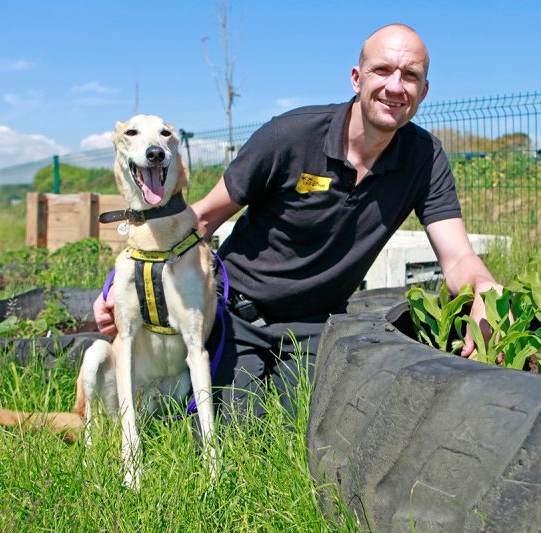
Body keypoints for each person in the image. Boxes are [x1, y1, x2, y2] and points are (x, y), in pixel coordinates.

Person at [94, 23, 502, 418]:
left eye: (410, 75)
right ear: (357, 78)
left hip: (316, 326)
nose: (395, 86)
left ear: (423, 90)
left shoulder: (424, 159)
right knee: (238, 433)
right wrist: (119, 288)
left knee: (306, 429)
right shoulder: (288, 137)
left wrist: (485, 289)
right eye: (383, 70)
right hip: (238, 314)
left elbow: (458, 258)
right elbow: (200, 218)